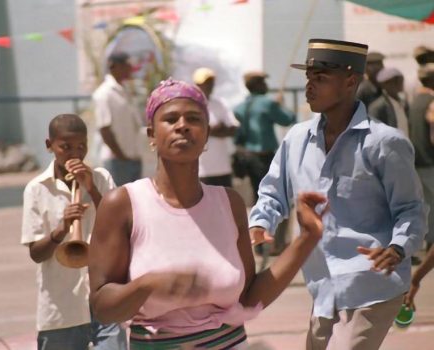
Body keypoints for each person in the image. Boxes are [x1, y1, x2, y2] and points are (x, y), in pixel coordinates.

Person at [88, 78, 329, 349]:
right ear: (151, 135)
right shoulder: (124, 203)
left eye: (194, 118)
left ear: (205, 135)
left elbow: (248, 297)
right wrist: (147, 285)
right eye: (170, 119)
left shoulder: (228, 203)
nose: (182, 125)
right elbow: (102, 307)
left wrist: (308, 237)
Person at [249, 39, 427, 350]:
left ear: (350, 81)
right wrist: (261, 222)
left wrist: (398, 248)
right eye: (308, 78)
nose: (309, 87)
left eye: (320, 78)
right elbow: (273, 191)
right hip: (322, 286)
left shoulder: (384, 143)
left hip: (372, 284)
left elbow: (411, 208)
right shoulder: (296, 138)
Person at [21, 114, 127, 350]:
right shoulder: (36, 189)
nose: (75, 154)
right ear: (49, 146)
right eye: (66, 147)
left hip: (103, 299)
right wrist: (62, 228)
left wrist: (91, 188)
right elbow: (36, 254)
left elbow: (120, 226)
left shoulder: (101, 178)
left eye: (81, 147)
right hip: (61, 307)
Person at [233, 71, 296, 202]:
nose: (266, 85)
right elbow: (287, 119)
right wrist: (281, 105)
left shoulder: (240, 107)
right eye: (263, 82)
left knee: (257, 193)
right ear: (257, 85)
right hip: (264, 157)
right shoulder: (267, 104)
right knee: (272, 194)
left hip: (247, 156)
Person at [94, 51, 142, 186]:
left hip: (133, 158)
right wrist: (121, 157)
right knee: (120, 202)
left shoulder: (125, 90)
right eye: (126, 65)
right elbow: (104, 129)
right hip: (117, 161)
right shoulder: (104, 93)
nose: (130, 69)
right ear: (114, 66)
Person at [192, 67, 239, 187]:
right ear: (197, 84)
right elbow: (194, 130)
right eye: (205, 83)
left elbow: (233, 129)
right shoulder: (191, 106)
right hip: (201, 170)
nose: (208, 86)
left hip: (223, 168)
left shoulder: (220, 104)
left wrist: (209, 129)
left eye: (210, 83)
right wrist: (215, 129)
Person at [409, 63, 434, 252]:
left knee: (428, 205)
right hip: (431, 161)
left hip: (417, 161)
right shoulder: (431, 102)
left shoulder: (415, 101)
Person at [368, 68, 408, 135]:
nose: (399, 83)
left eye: (400, 80)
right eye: (395, 81)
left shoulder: (404, 103)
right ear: (384, 85)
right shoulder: (377, 107)